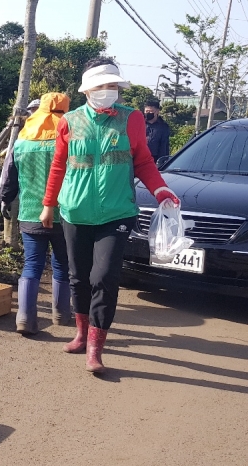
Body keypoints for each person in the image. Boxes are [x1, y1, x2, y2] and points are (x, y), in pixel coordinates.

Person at [40, 58, 180, 373]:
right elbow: (59, 165)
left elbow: (143, 160)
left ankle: (95, 348)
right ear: (88, 89)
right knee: (79, 277)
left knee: (104, 278)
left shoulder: (131, 120)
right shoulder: (70, 121)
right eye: (101, 86)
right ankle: (80, 334)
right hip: (75, 211)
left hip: (117, 212)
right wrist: (49, 203)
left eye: (113, 85)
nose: (108, 91)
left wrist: (161, 190)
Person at [0, 92, 72, 335]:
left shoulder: (22, 139)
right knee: (62, 263)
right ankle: (61, 314)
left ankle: (25, 319)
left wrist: (4, 200)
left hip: (30, 213)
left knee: (32, 265)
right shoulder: (72, 138)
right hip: (66, 214)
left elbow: (9, 175)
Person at [144, 99, 171, 164]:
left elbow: (164, 146)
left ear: (157, 111)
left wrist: (162, 162)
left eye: (150, 111)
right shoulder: (139, 123)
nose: (148, 113)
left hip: (155, 160)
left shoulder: (163, 127)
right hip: (139, 158)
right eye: (146, 111)